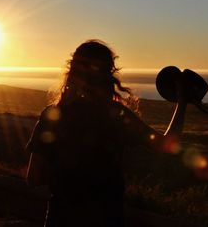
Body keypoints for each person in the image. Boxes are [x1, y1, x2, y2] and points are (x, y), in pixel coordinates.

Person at [26, 40, 187, 227]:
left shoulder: (52, 116)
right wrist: (182, 101)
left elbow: (34, 178)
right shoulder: (116, 116)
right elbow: (165, 145)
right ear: (108, 76)